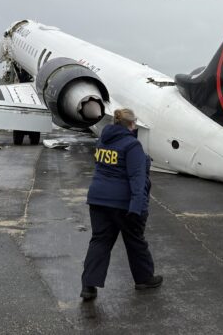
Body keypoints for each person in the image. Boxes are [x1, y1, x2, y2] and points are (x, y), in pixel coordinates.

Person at [80, 108, 162, 301]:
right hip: (122, 203)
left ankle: (89, 286)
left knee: (100, 241)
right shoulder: (132, 145)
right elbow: (137, 179)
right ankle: (144, 278)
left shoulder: (103, 140)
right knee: (135, 240)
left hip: (98, 199)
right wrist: (137, 207)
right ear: (132, 124)